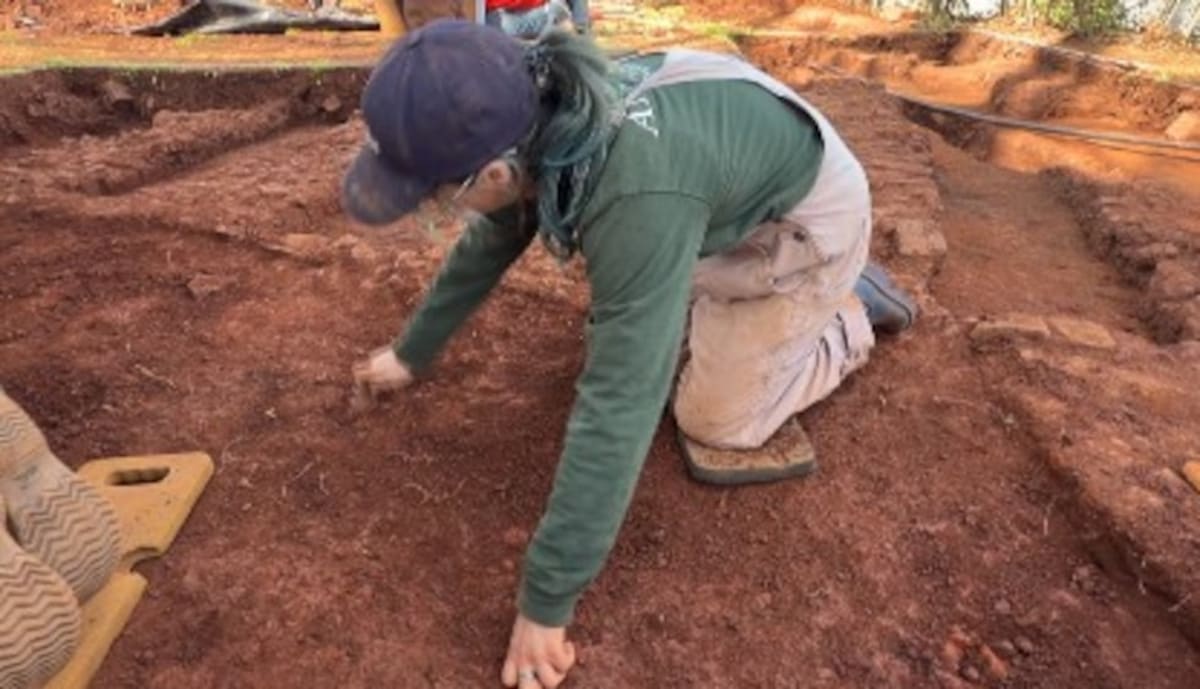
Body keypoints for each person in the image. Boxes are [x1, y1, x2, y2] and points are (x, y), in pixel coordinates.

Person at [342, 20, 916, 689]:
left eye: (438, 196)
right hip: (720, 206)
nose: (441, 210)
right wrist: (412, 352)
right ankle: (735, 300)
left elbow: (620, 399)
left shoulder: (632, 196)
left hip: (804, 227)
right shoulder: (543, 111)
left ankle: (848, 307)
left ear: (493, 173)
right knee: (631, 312)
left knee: (715, 419)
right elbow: (495, 234)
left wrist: (545, 602)